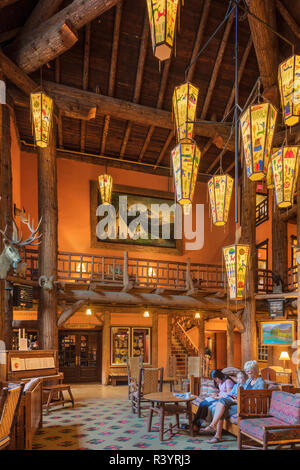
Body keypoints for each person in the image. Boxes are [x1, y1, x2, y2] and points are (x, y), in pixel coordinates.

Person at [200, 370, 247, 443]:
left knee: (221, 405)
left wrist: (236, 400)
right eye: (238, 378)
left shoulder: (246, 387)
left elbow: (245, 399)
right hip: (233, 402)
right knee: (221, 406)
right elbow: (229, 395)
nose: (239, 380)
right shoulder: (236, 385)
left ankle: (214, 429)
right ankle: (216, 433)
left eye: (241, 378)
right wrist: (232, 398)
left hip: (241, 405)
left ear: (245, 378)